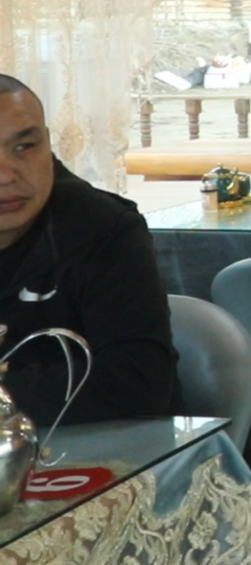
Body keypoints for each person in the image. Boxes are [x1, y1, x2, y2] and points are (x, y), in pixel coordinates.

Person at [0, 75, 181, 425]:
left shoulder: (103, 230)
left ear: (48, 144)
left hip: (107, 447)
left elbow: (139, 381)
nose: (7, 175)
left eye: (25, 147)